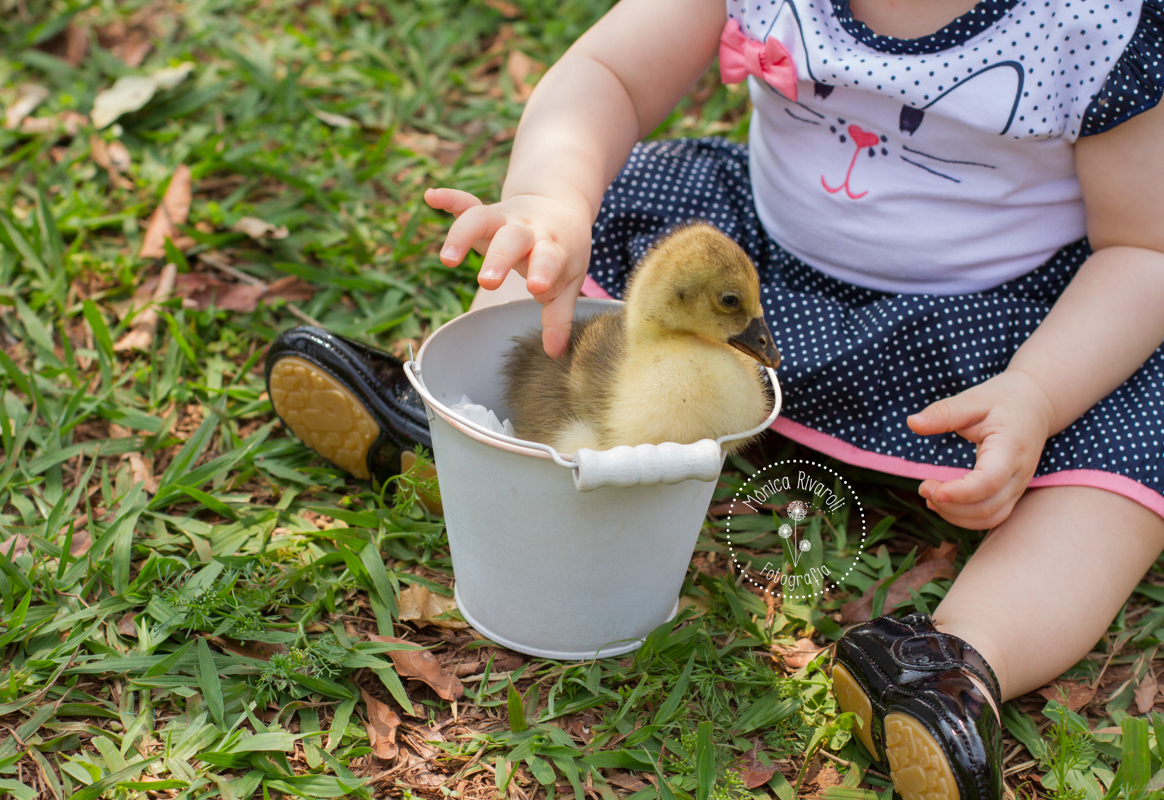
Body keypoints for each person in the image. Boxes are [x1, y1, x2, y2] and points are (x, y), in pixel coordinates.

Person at [266, 0, 1164, 794]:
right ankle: (469, 427)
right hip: (748, 283)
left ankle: (952, 662)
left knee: (1130, 435)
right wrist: (549, 197)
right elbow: (609, 73)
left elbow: (1143, 249)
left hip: (995, 337)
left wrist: (1040, 392)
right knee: (575, 240)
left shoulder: (1093, 19)